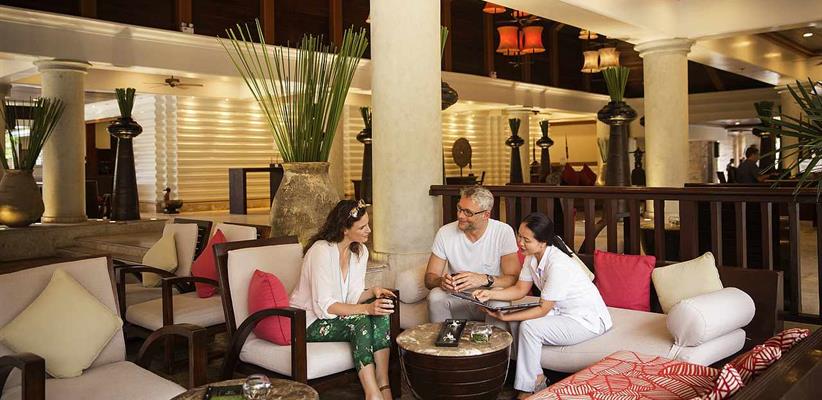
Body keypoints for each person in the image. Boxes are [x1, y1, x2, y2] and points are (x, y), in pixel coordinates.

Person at [473, 213, 612, 399]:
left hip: (586, 320)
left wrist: (506, 315)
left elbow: (543, 309)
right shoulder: (531, 258)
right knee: (516, 321)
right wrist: (490, 294)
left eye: (526, 240)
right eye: (519, 236)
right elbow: (520, 289)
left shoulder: (558, 264)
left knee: (529, 327)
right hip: (560, 312)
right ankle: (535, 377)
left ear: (543, 242)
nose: (520, 243)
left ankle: (527, 389)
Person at [290, 199, 396, 400]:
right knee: (361, 320)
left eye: (367, 224)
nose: (369, 230)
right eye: (362, 227)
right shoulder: (321, 251)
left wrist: (373, 292)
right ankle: (372, 393)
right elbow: (325, 306)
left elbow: (352, 296)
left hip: (336, 315)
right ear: (344, 229)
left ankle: (383, 384)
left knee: (382, 310)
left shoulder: (360, 251)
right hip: (307, 321)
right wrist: (367, 309)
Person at [424, 186, 521, 322]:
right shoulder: (444, 232)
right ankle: (444, 335)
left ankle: (495, 337)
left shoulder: (503, 232)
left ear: (485, 215)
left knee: (499, 303)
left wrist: (484, 280)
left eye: (468, 212)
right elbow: (429, 278)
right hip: (457, 296)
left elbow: (513, 278)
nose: (460, 215)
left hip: (488, 296)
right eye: (459, 209)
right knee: (435, 296)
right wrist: (441, 282)